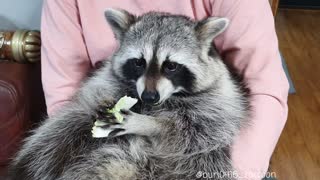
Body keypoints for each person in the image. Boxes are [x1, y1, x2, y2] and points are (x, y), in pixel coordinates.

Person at [41, 0, 289, 179]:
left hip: (222, 151)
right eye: (139, 64)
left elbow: (265, 88)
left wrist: (238, 173)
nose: (150, 89)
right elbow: (65, 94)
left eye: (170, 67)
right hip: (113, 138)